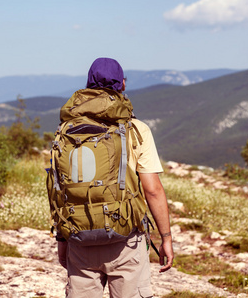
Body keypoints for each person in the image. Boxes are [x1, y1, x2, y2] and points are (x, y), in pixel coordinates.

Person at [57, 57, 174, 298]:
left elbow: (60, 190)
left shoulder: (66, 132)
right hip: (125, 240)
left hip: (80, 239)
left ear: (88, 85)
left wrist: (63, 240)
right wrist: (166, 238)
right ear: (122, 85)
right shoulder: (136, 129)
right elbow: (152, 189)